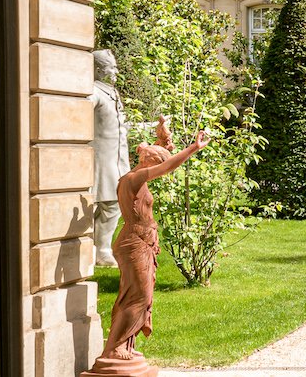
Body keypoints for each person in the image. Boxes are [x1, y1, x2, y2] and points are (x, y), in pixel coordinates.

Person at [84, 117, 209, 376]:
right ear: (150, 163)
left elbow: (159, 156)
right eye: (157, 161)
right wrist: (192, 148)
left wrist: (163, 135)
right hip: (134, 243)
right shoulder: (135, 179)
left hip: (140, 241)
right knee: (138, 297)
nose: (159, 166)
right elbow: (165, 167)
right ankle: (114, 349)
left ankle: (123, 346)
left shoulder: (135, 175)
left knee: (135, 295)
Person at [90, 49, 129, 266]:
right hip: (102, 159)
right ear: (97, 70)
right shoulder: (94, 92)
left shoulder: (111, 92)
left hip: (117, 157)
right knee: (107, 203)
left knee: (113, 203)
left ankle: (98, 247)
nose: (115, 72)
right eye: (110, 67)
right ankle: (101, 250)